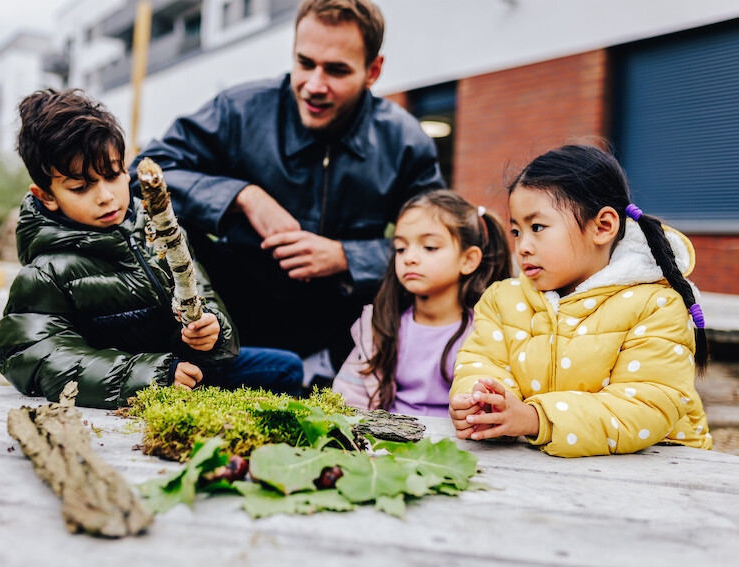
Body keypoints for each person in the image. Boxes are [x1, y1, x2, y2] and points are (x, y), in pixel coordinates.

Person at [129, 0, 445, 375]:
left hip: (345, 335)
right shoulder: (239, 110)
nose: (314, 85)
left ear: (372, 71)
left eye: (337, 70)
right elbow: (143, 174)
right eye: (305, 63)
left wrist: (345, 257)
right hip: (233, 318)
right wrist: (242, 197)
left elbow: (441, 243)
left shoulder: (406, 141)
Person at [0, 88, 303, 410]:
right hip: (134, 390)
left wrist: (210, 332)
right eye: (81, 187)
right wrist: (152, 376)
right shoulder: (48, 271)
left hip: (189, 372)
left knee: (286, 369)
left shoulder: (161, 231)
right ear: (46, 196)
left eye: (113, 176)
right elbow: (34, 358)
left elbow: (205, 297)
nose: (106, 196)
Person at [449, 143, 712, 457]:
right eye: (517, 231)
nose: (523, 246)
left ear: (601, 227)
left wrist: (534, 419)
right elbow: (481, 362)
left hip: (661, 469)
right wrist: (484, 403)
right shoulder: (503, 299)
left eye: (537, 227)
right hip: (546, 464)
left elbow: (643, 405)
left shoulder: (655, 305)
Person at [331, 189, 511, 416]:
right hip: (386, 443)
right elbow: (348, 397)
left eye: (429, 247)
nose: (410, 258)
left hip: (461, 446)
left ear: (468, 260)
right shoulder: (380, 326)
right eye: (401, 248)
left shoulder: (487, 332)